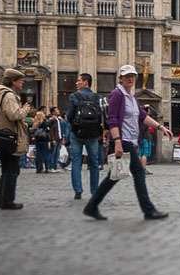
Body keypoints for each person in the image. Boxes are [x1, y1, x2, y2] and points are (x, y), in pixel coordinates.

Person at [82, 65, 172, 221]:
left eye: (133, 76)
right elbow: (112, 120)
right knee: (138, 173)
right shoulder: (117, 95)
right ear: (121, 78)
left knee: (114, 176)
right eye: (127, 76)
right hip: (122, 141)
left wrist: (160, 127)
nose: (130, 79)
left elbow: (142, 116)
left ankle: (91, 206)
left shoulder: (131, 96)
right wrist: (117, 142)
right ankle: (148, 210)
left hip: (129, 140)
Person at [0, 69, 33, 210]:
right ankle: (7, 201)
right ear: (13, 81)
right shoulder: (9, 95)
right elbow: (13, 115)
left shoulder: (1, 94)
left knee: (6, 170)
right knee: (12, 170)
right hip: (9, 138)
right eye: (21, 80)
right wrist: (25, 110)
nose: (22, 82)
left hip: (1, 137)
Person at [65, 73, 103, 200]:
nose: (76, 83)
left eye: (79, 81)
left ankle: (78, 190)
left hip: (77, 134)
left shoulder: (74, 96)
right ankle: (94, 190)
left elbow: (69, 115)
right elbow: (101, 116)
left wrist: (73, 126)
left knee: (76, 161)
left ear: (86, 82)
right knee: (94, 162)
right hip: (93, 134)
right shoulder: (97, 97)